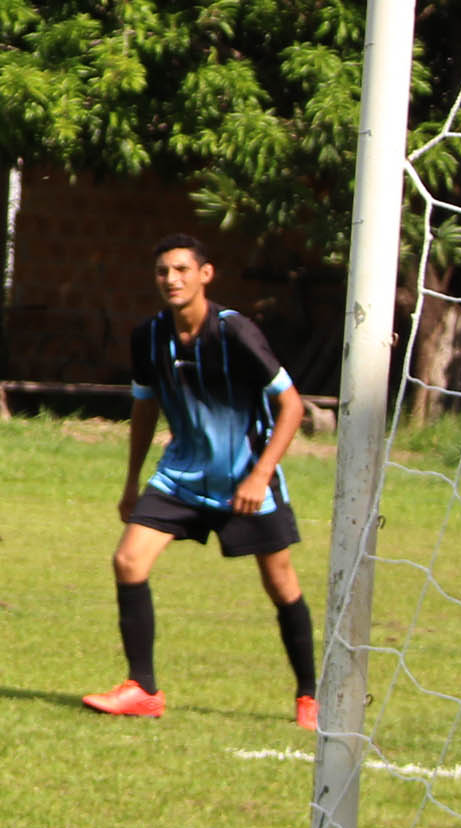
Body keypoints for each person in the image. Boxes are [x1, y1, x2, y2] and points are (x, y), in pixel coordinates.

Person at [83, 234, 316, 726]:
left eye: (182, 270)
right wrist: (132, 482)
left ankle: (310, 696)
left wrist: (260, 475)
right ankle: (143, 689)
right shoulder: (148, 337)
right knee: (128, 560)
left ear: (205, 275)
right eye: (163, 271)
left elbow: (291, 405)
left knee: (280, 582)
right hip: (182, 476)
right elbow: (144, 407)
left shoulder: (235, 333)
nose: (171, 279)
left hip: (244, 480)